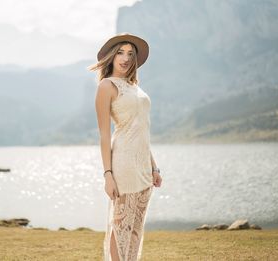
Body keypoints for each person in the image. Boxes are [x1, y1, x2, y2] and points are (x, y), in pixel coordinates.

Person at [88, 32, 162, 261]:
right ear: (111, 56)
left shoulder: (134, 86)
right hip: (123, 165)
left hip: (143, 167)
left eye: (130, 53)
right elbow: (103, 134)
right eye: (120, 52)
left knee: (136, 229)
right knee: (120, 226)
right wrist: (107, 175)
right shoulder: (106, 86)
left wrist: (154, 167)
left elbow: (141, 130)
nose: (125, 58)